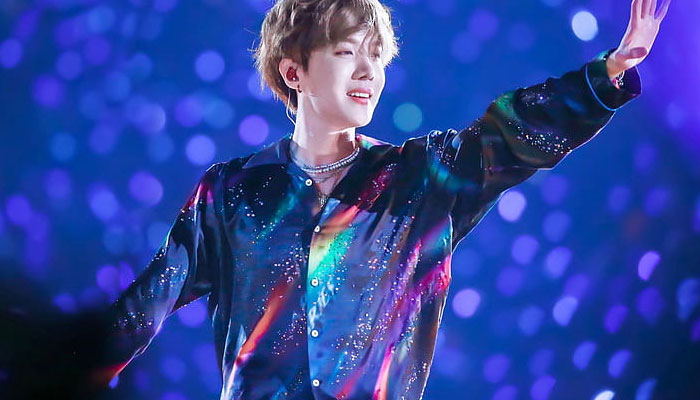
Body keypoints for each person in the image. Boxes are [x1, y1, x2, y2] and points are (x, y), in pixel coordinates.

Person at [64, 0, 671, 399]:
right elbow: (146, 304)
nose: (367, 71)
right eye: (347, 52)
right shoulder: (231, 192)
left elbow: (509, 137)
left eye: (376, 56)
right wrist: (57, 371)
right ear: (294, 72)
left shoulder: (418, 178)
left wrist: (608, 73)